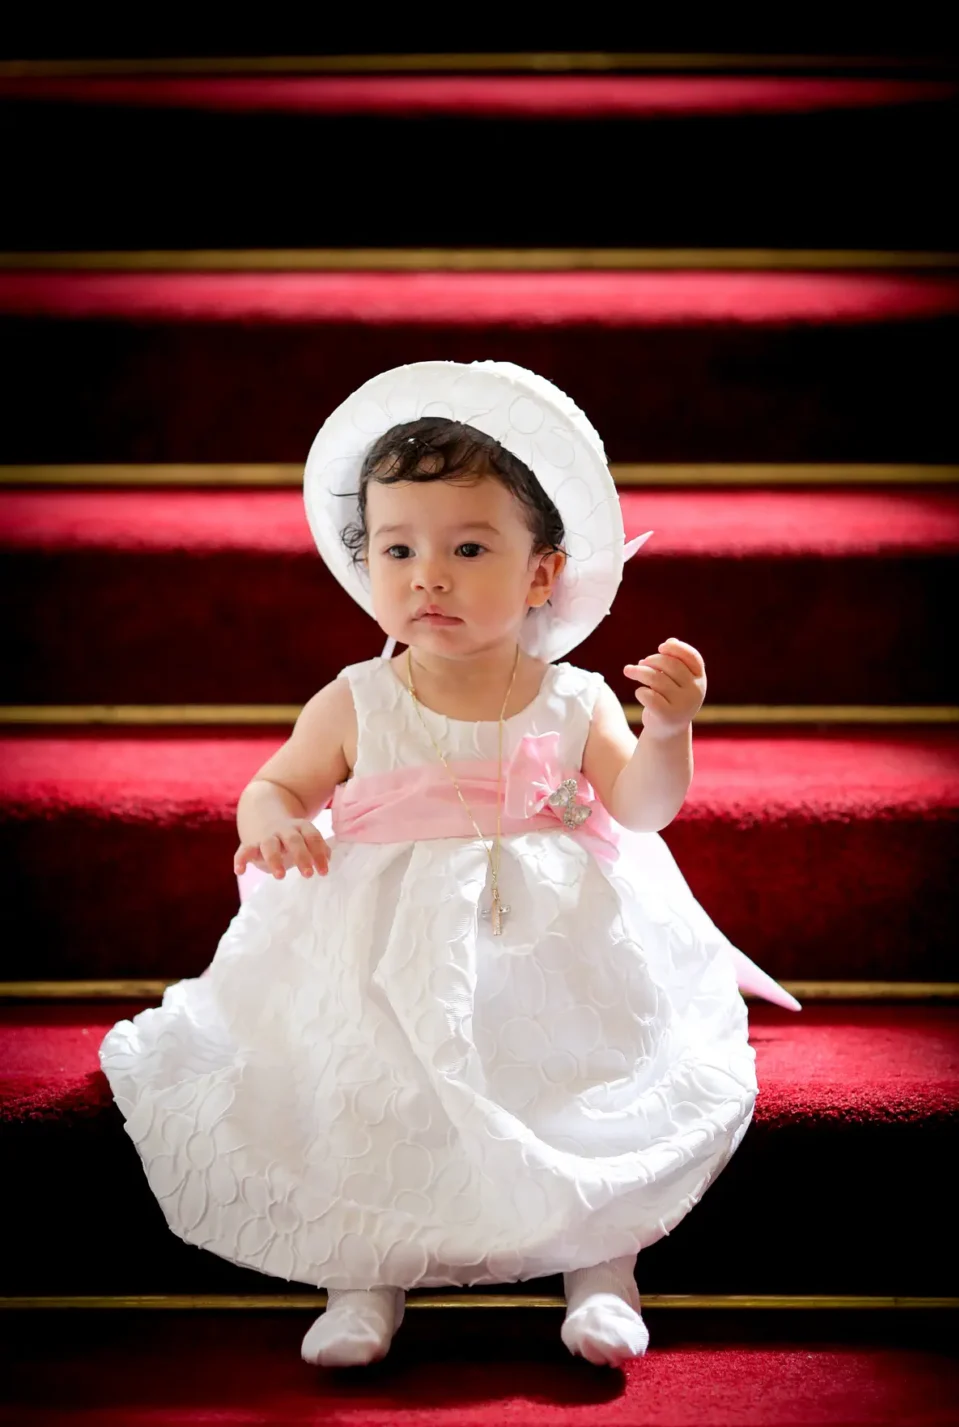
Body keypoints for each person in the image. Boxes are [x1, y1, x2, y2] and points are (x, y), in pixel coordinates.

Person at [100, 360, 798, 1372]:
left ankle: (602, 1269)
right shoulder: (354, 701)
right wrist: (275, 821)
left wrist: (668, 731)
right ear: (366, 562)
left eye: (468, 546)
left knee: (577, 1085)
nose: (427, 574)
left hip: (555, 944)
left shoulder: (575, 699)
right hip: (388, 946)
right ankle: (361, 1277)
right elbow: (275, 786)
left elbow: (643, 810)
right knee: (371, 1088)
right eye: (397, 547)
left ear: (539, 575)